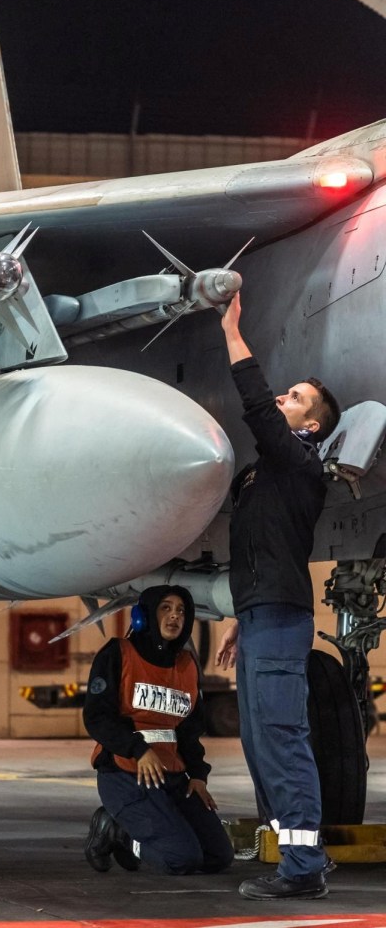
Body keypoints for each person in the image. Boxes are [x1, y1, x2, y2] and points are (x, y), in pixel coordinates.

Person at [215, 292, 341, 900]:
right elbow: (265, 550)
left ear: (310, 425)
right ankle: (296, 854)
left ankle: (303, 869)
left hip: (281, 619)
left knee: (280, 736)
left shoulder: (300, 462)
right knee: (261, 737)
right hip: (265, 614)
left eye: (296, 399)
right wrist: (243, 615)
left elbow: (258, 409)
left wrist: (233, 331)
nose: (283, 401)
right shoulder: (270, 471)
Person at [83, 584, 234, 875]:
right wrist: (138, 750)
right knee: (183, 858)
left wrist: (199, 776)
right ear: (144, 616)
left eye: (181, 610)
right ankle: (121, 835)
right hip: (126, 773)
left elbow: (189, 730)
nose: (174, 616)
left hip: (172, 777)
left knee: (218, 855)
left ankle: (128, 830)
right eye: (165, 608)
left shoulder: (187, 665)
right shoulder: (118, 654)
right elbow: (97, 717)